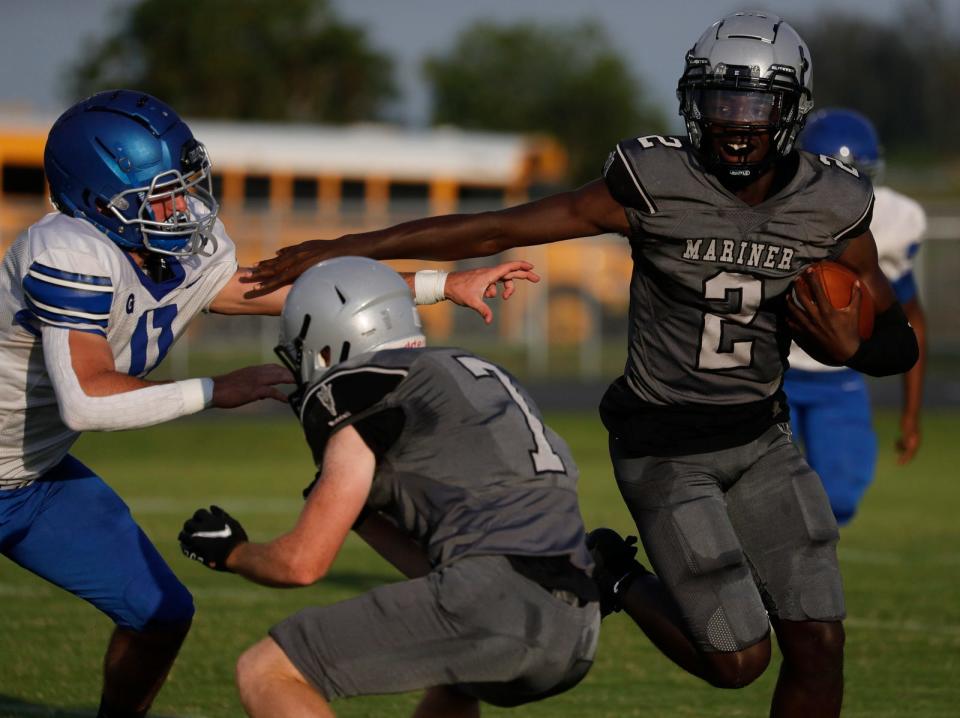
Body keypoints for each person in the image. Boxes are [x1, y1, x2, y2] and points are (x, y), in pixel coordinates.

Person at [244, 12, 920, 717]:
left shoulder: (831, 203)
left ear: (790, 108)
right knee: (737, 661)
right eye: (718, 101)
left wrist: (852, 349)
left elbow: (898, 339)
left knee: (820, 643)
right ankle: (617, 574)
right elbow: (496, 226)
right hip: (665, 448)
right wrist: (348, 246)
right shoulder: (658, 181)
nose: (734, 121)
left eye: (752, 103)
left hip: (761, 440)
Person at [0, 90, 538, 718]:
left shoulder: (168, 247)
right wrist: (215, 390)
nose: (182, 207)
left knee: (160, 614)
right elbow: (87, 400)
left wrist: (439, 285)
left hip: (31, 479)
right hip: (36, 463)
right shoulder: (67, 249)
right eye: (159, 196)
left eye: (183, 184)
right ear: (95, 202)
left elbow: (257, 290)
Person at [179, 257, 600, 718]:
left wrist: (232, 552)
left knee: (267, 670)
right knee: (454, 681)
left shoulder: (360, 385)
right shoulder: (468, 369)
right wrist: (362, 516)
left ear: (328, 341)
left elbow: (300, 565)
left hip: (496, 601)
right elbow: (440, 568)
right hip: (577, 624)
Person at [785, 108, 928, 525]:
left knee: (841, 499)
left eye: (858, 176)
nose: (845, 189)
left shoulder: (893, 221)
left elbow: (910, 317)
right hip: (772, 373)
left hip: (841, 376)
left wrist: (911, 410)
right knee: (764, 497)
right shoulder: (775, 211)